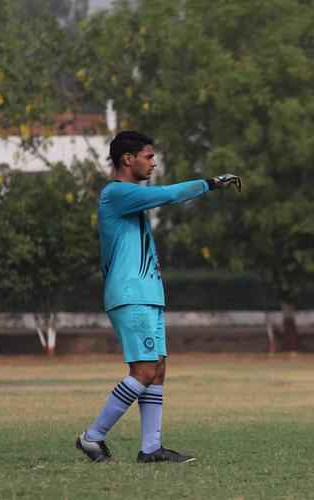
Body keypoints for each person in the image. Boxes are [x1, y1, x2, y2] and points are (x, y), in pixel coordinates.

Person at [76, 130, 240, 463]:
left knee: (158, 369)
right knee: (144, 371)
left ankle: (150, 449)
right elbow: (168, 195)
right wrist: (209, 183)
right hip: (130, 294)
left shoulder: (129, 196)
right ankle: (92, 437)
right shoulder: (117, 193)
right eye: (149, 156)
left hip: (147, 294)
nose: (154, 162)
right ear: (128, 159)